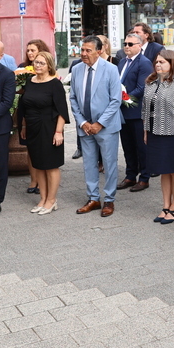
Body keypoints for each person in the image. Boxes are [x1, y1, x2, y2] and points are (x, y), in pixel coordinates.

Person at [70, 36, 122, 217]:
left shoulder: (111, 69)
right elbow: (73, 98)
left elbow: (116, 100)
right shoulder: (76, 69)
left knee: (109, 163)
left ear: (99, 51)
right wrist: (83, 122)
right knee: (89, 164)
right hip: (85, 127)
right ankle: (93, 198)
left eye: (88, 50)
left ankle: (109, 200)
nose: (83, 54)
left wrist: (99, 124)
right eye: (82, 50)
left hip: (105, 127)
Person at [141, 50, 174, 224]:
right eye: (156, 62)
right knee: (164, 171)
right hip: (155, 133)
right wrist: (146, 132)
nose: (158, 65)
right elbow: (145, 110)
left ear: (172, 64)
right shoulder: (151, 81)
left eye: (162, 62)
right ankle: (165, 206)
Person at [16, 51, 69, 215]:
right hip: (32, 127)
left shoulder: (55, 84)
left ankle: (52, 200)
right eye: (36, 63)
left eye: (42, 63)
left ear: (49, 66)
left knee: (51, 165)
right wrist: (23, 126)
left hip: (49, 127)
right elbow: (24, 107)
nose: (38, 65)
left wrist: (58, 132)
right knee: (38, 164)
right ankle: (43, 198)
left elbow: (62, 111)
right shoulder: (30, 82)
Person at [115, 32, 152, 192]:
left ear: (139, 45)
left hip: (137, 112)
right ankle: (130, 175)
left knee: (141, 147)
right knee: (127, 145)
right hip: (123, 112)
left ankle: (144, 178)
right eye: (125, 44)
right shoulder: (122, 62)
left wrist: (124, 98)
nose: (126, 47)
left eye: (130, 44)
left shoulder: (144, 63)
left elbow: (142, 88)